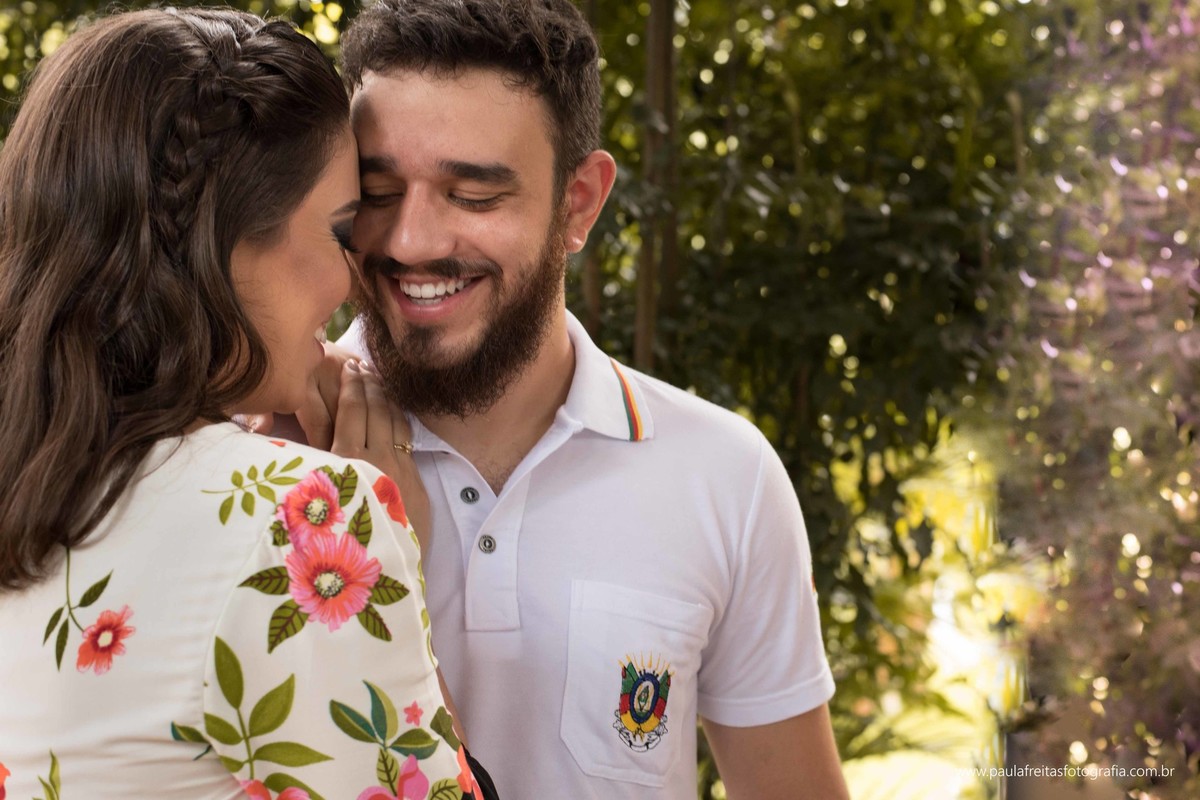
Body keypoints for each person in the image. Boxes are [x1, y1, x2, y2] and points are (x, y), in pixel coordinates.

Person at [300, 0, 852, 796]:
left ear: (579, 204)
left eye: (474, 196)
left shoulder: (723, 477)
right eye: (379, 191)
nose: (411, 242)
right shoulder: (256, 452)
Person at [0, 8, 495, 799]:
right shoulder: (304, 521)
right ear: (220, 246)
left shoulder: (32, 491)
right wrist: (368, 550)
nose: (356, 277)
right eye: (340, 232)